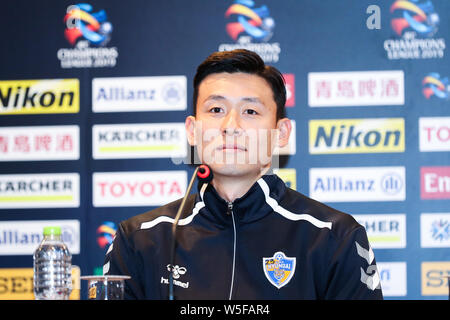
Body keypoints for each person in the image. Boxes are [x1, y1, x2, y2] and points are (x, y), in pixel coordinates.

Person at [103, 49, 383, 300]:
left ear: (281, 132)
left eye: (250, 111)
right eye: (216, 109)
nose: (230, 125)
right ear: (192, 130)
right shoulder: (139, 239)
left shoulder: (334, 237)